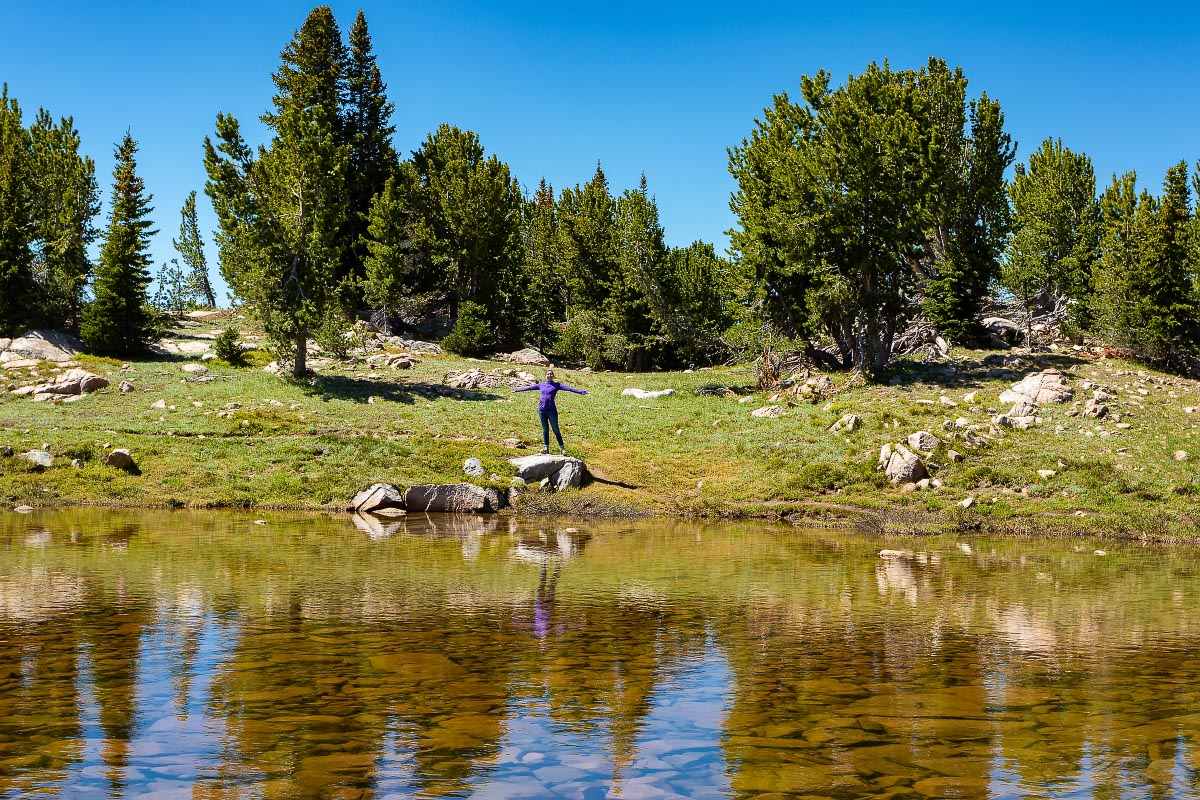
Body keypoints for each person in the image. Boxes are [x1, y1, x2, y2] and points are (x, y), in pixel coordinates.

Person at [513, 369, 588, 454]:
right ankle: (546, 448)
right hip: (541, 411)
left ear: (553, 376)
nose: (549, 375)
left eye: (551, 374)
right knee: (545, 430)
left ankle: (563, 449)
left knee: (556, 430)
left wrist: (581, 392)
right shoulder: (541, 385)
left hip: (552, 411)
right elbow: (529, 388)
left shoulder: (557, 385)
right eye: (548, 374)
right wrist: (517, 390)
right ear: (545, 375)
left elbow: (569, 389)